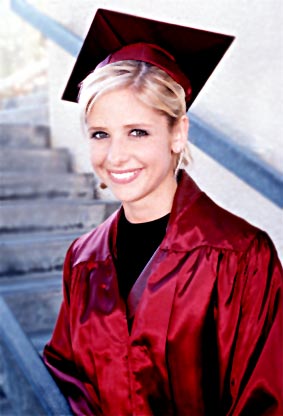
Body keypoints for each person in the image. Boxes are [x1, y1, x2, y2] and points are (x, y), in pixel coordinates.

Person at [43, 9, 283, 416]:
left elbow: (267, 400)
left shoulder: (241, 256)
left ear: (178, 133)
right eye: (101, 134)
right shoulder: (82, 259)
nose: (116, 155)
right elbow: (67, 378)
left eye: (138, 131)